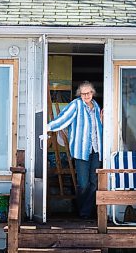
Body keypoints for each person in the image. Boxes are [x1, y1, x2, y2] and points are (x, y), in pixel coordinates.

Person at [47, 81, 103, 219]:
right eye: (83, 93)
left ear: (92, 93)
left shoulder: (96, 106)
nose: (86, 95)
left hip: (96, 150)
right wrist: (47, 127)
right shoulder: (76, 105)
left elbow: (98, 127)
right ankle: (82, 211)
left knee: (94, 183)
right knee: (83, 184)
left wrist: (102, 120)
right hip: (81, 149)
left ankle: (85, 212)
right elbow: (63, 119)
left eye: (88, 93)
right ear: (80, 94)